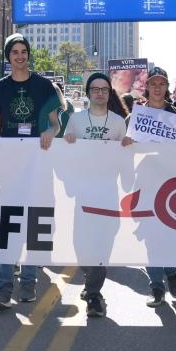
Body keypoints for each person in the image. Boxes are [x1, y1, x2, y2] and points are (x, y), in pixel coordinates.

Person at [0, 33, 61, 308]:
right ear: (8, 57)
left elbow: (55, 123)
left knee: (34, 228)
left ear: (28, 54)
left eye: (23, 51)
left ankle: (29, 283)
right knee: (8, 229)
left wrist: (51, 133)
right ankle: (3, 288)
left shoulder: (44, 87)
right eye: (14, 52)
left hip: (39, 168)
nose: (19, 56)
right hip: (10, 171)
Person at [61, 71, 129, 318]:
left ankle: (93, 294)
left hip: (108, 194)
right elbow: (67, 157)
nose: (100, 93)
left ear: (109, 94)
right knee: (81, 245)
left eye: (104, 89)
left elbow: (125, 160)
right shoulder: (76, 120)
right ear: (88, 93)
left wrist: (128, 149)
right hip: (82, 195)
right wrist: (67, 142)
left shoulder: (118, 122)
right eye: (95, 89)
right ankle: (90, 278)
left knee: (102, 244)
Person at [134, 66, 176, 306]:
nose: (157, 88)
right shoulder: (135, 117)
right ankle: (156, 286)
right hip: (144, 184)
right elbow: (122, 150)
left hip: (171, 185)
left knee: (170, 234)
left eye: (161, 84)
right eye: (153, 83)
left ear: (166, 87)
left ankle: (171, 271)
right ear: (147, 87)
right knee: (149, 237)